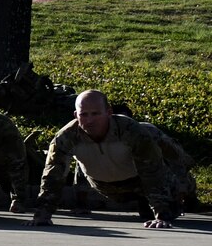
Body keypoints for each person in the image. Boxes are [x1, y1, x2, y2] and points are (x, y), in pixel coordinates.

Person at [32, 91, 181, 229]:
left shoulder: (132, 130)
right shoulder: (65, 137)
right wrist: (42, 214)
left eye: (95, 114)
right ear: (75, 115)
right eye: (84, 115)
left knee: (171, 203)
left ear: (109, 112)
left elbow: (152, 171)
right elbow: (52, 176)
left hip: (139, 183)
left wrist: (161, 215)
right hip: (104, 186)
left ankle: (174, 201)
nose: (90, 120)